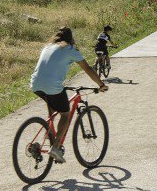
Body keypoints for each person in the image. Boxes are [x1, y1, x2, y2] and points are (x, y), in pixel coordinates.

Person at [30, 27, 108, 163]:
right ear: (71, 38)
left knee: (53, 112)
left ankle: (41, 143)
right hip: (52, 86)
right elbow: (88, 69)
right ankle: (55, 147)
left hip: (35, 84)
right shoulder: (70, 50)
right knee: (65, 114)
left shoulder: (48, 46)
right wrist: (101, 85)